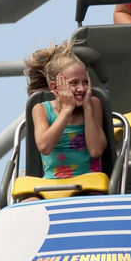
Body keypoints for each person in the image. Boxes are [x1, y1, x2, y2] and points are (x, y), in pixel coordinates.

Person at [24, 42, 107, 188]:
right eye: (74, 83)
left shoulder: (93, 104)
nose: (81, 88)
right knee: (26, 202)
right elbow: (44, 146)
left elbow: (96, 150)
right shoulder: (40, 109)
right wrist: (67, 110)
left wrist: (87, 108)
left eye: (85, 82)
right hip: (52, 185)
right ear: (55, 87)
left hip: (88, 184)